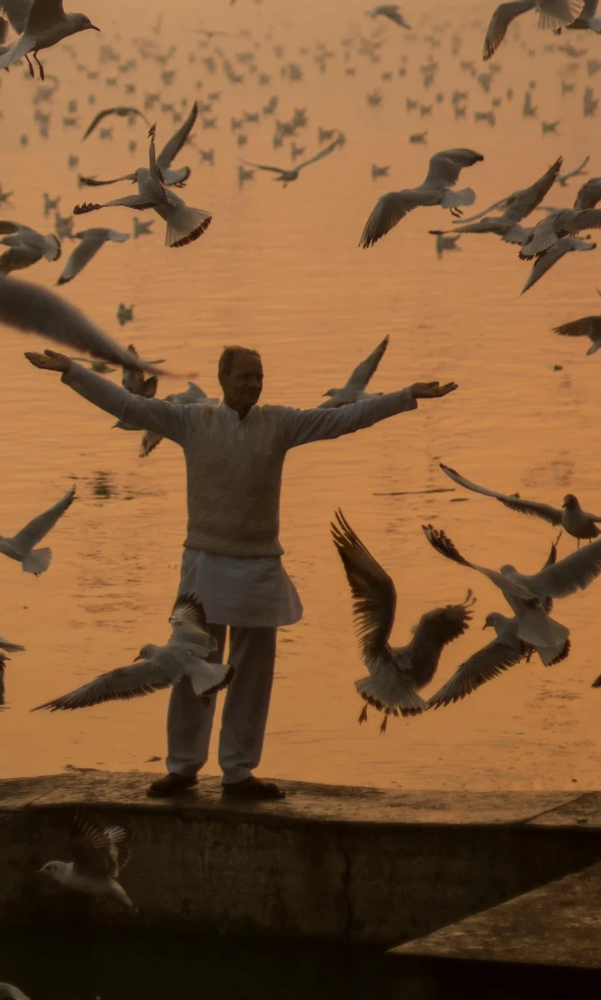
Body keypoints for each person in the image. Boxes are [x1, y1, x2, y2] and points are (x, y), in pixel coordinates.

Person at [27, 343, 455, 801]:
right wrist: (72, 371)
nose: (254, 384)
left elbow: (342, 420)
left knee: (253, 674)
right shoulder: (192, 421)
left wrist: (406, 395)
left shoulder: (280, 422)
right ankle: (183, 768)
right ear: (223, 379)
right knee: (193, 665)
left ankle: (238, 772)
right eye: (245, 376)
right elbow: (127, 404)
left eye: (259, 376)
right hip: (205, 564)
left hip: (259, 567)